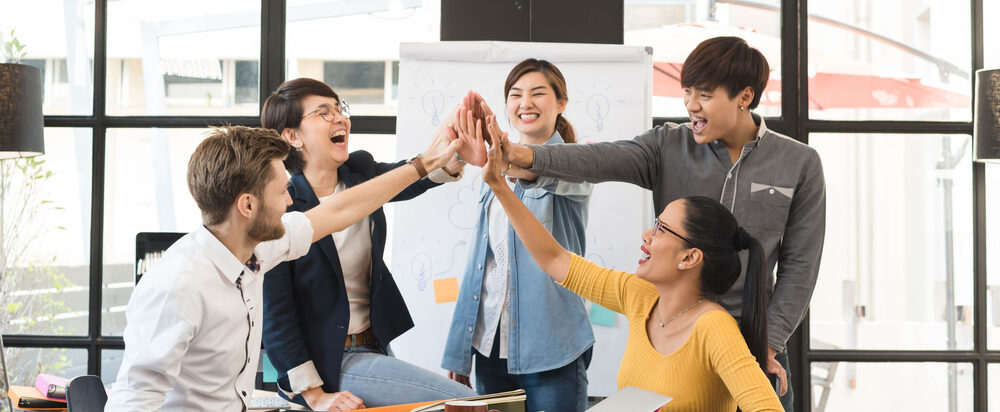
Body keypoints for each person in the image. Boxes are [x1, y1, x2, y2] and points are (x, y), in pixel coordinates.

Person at [470, 36, 826, 409]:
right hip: (676, 334)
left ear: (745, 96)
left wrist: (770, 343)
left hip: (756, 342)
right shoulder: (667, 145)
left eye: (703, 95)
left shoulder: (799, 163)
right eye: (687, 92)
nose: (690, 105)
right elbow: (599, 161)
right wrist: (517, 154)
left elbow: (801, 264)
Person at [105, 124, 459, 411]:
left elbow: (336, 211)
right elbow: (132, 401)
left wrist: (424, 165)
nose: (291, 202)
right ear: (247, 205)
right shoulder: (177, 285)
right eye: (282, 192)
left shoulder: (258, 248)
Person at [479, 128, 782, 411]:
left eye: (661, 229)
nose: (647, 235)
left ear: (690, 258)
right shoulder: (640, 297)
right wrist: (499, 186)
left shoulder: (714, 328)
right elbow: (554, 259)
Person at [259, 78, 476, 410]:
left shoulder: (359, 171)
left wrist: (453, 153)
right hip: (328, 363)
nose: (339, 118)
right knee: (470, 403)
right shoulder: (281, 205)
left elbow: (408, 180)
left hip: (375, 348)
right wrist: (314, 395)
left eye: (339, 109)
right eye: (323, 112)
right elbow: (276, 315)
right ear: (292, 136)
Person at [441, 59, 595, 412]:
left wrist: (495, 163)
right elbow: (480, 268)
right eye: (516, 94)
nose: (525, 103)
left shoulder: (579, 161)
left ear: (561, 103)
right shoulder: (492, 173)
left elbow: (540, 171)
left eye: (538, 93)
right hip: (491, 348)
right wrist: (460, 349)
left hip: (554, 348)